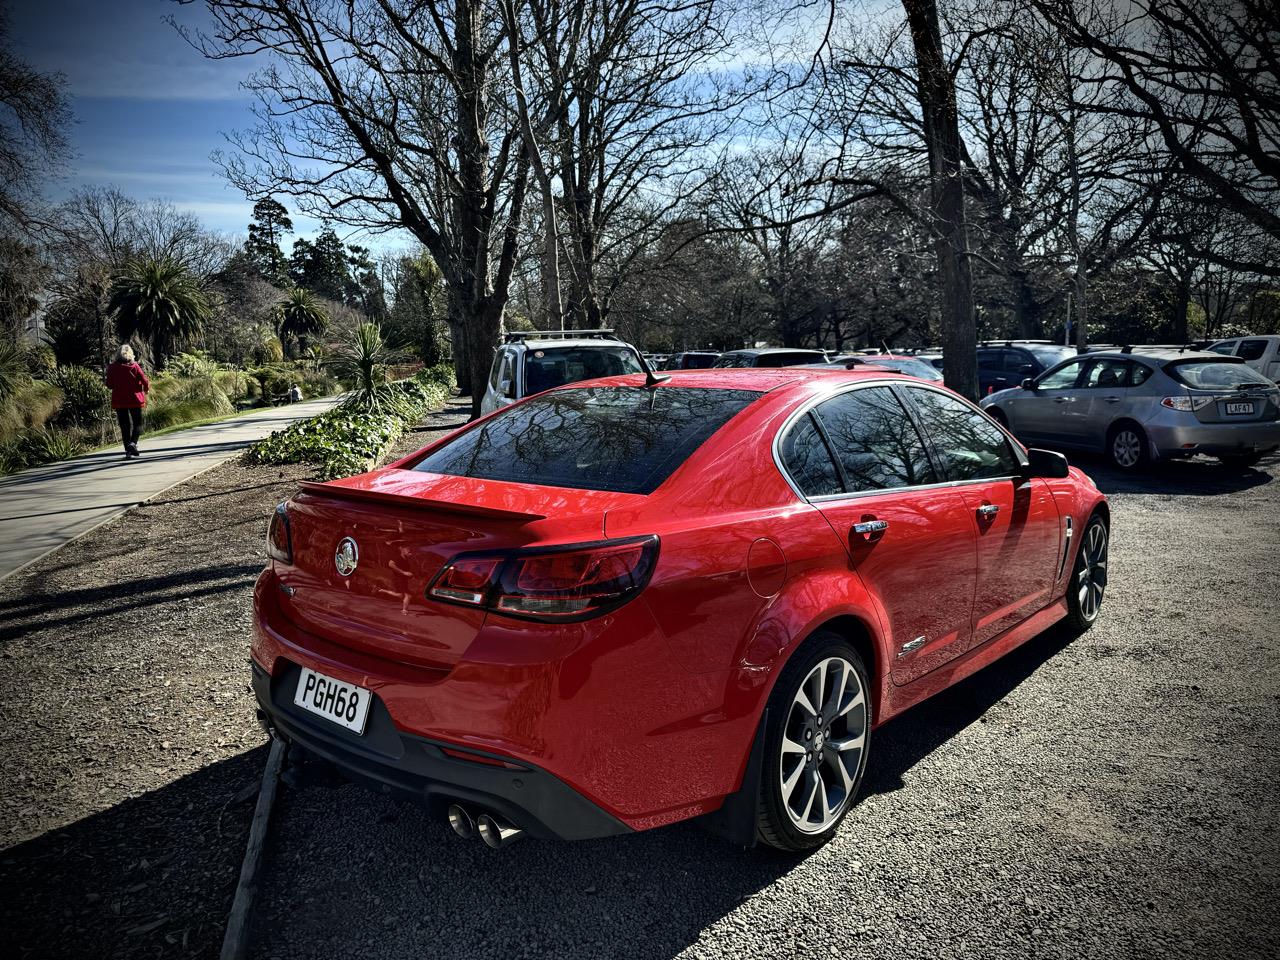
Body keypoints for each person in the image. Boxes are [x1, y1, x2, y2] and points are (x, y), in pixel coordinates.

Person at [106, 344, 150, 459]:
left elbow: (109, 385)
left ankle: (128, 451)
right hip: (135, 399)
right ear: (131, 353)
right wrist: (146, 388)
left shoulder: (112, 367)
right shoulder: (135, 366)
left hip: (119, 400)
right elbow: (144, 379)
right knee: (138, 423)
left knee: (124, 425)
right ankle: (133, 443)